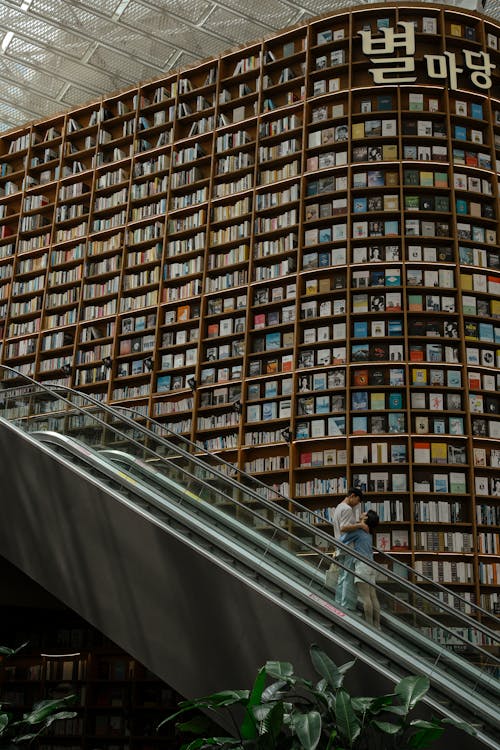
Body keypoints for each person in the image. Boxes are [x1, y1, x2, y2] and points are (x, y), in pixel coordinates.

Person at [341, 509, 381, 629]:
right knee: (373, 596)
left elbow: (342, 540)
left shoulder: (359, 531)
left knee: (365, 597)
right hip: (371, 565)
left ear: (366, 519)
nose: (362, 513)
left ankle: (369, 626)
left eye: (364, 513)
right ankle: (377, 625)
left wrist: (355, 526)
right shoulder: (369, 533)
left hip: (362, 565)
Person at [332, 487, 367, 610]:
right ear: (352, 496)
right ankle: (346, 606)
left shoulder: (339, 507)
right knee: (348, 577)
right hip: (347, 547)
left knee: (342, 576)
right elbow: (344, 527)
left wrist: (358, 522)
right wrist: (360, 525)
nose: (357, 504)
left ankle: (339, 603)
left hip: (340, 546)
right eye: (357, 500)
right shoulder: (347, 509)